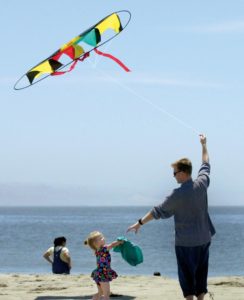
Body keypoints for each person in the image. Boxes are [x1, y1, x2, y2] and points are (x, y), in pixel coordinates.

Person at [127, 134, 215, 300]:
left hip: (185, 243)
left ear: (182, 173)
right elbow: (206, 163)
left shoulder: (177, 195)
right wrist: (204, 145)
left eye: (174, 173)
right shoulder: (202, 183)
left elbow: (157, 211)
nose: (173, 175)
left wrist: (139, 223)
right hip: (204, 239)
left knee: (187, 276)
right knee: (201, 272)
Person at [84, 231, 123, 300]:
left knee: (100, 293)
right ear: (95, 243)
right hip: (103, 274)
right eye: (100, 238)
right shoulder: (104, 249)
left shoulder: (96, 250)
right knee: (106, 294)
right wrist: (119, 242)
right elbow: (112, 245)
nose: (103, 238)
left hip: (98, 273)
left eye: (102, 237)